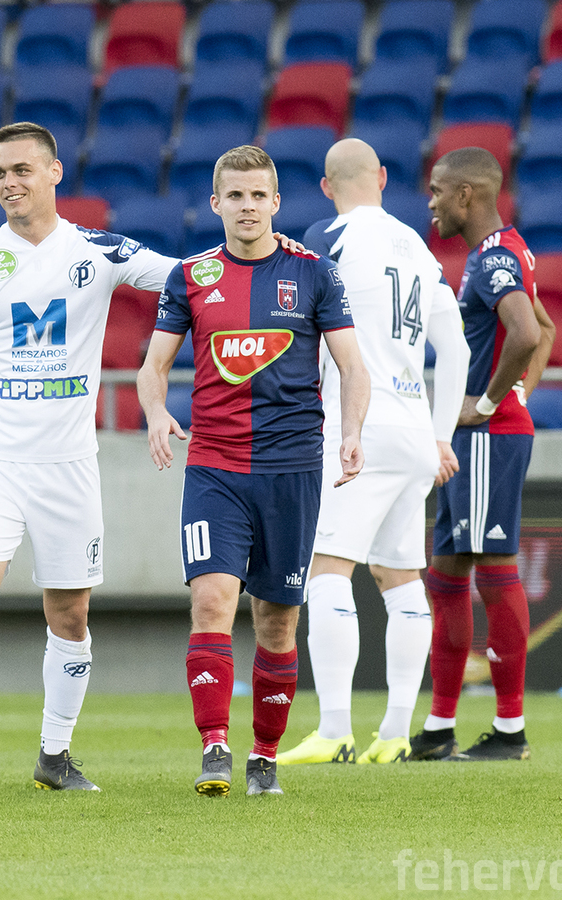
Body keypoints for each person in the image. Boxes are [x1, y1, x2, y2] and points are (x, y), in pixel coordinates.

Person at [0, 122, 179, 794]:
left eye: (21, 170)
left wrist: (255, 256)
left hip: (69, 465)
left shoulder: (100, 252)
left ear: (53, 173)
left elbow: (187, 279)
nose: (9, 183)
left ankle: (55, 756)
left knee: (69, 615)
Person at [139, 145, 371, 797]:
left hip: (292, 469)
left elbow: (354, 367)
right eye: (235, 196)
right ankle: (215, 747)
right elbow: (153, 366)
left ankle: (264, 755)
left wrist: (353, 432)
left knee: (277, 620)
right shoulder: (190, 276)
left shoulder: (315, 274)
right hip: (214, 466)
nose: (247, 207)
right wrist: (156, 413)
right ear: (216, 203)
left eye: (258, 195)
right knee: (212, 599)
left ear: (276, 202)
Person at [274, 138, 470, 767]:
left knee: (328, 569)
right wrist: (441, 435)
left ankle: (335, 729)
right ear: (383, 177)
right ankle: (394, 732)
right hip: (413, 428)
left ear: (326, 187)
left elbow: (301, 325)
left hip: (358, 421)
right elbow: (457, 348)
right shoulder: (417, 245)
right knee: (400, 576)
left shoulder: (327, 235)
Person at [410, 147, 556, 762]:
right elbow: (546, 330)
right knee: (446, 574)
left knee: (492, 569)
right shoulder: (505, 250)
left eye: (438, 190)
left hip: (488, 438)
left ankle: (509, 729)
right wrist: (517, 394)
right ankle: (439, 728)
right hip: (480, 435)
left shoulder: (494, 259)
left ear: (466, 194)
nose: (432, 202)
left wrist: (492, 403)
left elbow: (527, 333)